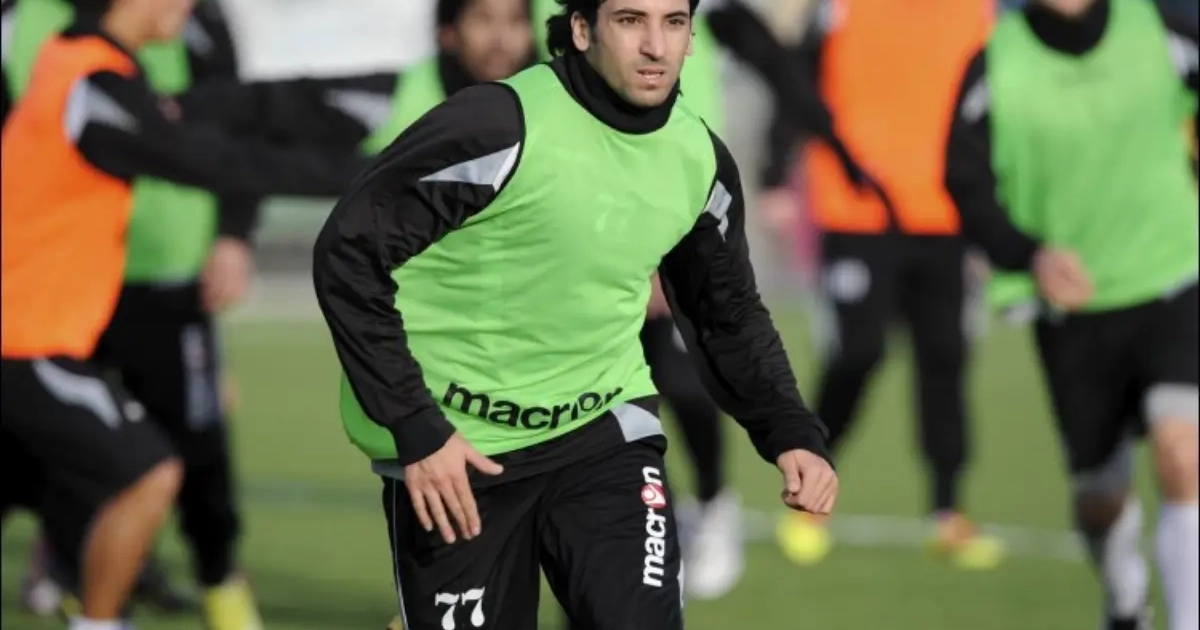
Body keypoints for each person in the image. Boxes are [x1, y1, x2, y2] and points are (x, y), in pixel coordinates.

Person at [312, 0, 840, 628]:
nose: (656, 45)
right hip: (458, 453)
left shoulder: (698, 160)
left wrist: (791, 430)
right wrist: (418, 428)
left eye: (673, 22)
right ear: (583, 29)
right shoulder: (498, 126)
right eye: (630, 20)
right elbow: (349, 252)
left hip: (602, 433)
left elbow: (727, 313)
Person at [0, 0, 365, 627]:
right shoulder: (92, 86)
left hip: (32, 343)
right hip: (22, 346)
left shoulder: (79, 64)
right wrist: (377, 172)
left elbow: (209, 125)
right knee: (148, 473)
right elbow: (214, 160)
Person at [530, 0, 865, 599]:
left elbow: (783, 71)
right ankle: (641, 526)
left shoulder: (703, 20)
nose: (655, 41)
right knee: (593, 397)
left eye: (672, 25)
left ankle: (709, 506)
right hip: (572, 225)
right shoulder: (562, 21)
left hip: (677, 219)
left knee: (680, 379)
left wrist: (805, 160)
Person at [944, 0, 1197, 627]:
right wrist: (1028, 255)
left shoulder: (1163, 28)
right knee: (1100, 497)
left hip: (1173, 274)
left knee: (1184, 449)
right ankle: (1123, 594)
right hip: (1074, 311)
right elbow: (965, 184)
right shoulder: (997, 65)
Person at [759, 0, 1003, 570]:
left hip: (945, 213)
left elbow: (998, 104)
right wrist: (775, 172)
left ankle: (948, 512)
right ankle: (808, 496)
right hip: (857, 210)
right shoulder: (840, 8)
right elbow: (797, 81)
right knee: (857, 353)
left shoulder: (975, 11)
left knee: (945, 357)